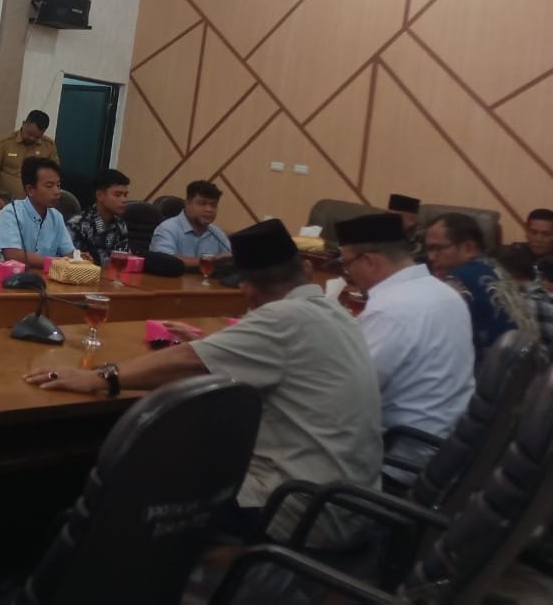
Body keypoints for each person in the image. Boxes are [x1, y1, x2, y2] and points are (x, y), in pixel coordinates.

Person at [26, 219, 382, 547]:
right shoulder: (336, 313)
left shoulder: (283, 318)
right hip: (353, 502)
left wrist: (97, 378)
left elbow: (188, 361)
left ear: (246, 289)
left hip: (299, 509)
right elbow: (268, 353)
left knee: (127, 496)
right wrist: (216, 346)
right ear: (306, 270)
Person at [335, 212, 474, 442]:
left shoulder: (390, 309)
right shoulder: (446, 292)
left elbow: (348, 390)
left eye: (346, 264)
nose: (347, 272)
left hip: (404, 447)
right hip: (448, 438)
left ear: (369, 261)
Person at [425, 212, 535, 363]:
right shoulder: (496, 268)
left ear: (469, 247)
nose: (431, 257)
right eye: (429, 249)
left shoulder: (457, 282)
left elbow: (432, 340)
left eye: (438, 248)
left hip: (482, 373)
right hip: (520, 371)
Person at [0, 157, 74, 268]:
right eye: (49, 186)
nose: (57, 191)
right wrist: (57, 262)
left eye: (58, 185)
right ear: (30, 189)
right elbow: (13, 255)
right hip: (11, 276)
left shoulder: (56, 217)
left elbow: (69, 254)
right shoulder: (11, 213)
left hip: (44, 277)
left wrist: (78, 258)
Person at [149, 179, 232, 269]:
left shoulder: (217, 233)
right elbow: (165, 260)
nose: (209, 209)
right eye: (202, 203)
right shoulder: (167, 228)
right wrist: (211, 261)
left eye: (213, 205)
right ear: (187, 203)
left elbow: (230, 259)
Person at [0, 110, 59, 208]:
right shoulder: (4, 143)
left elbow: (54, 174)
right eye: (29, 134)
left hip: (35, 203)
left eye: (36, 137)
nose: (32, 138)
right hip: (5, 201)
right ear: (24, 124)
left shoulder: (48, 146)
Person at [67, 168, 131, 267]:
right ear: (99, 195)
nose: (124, 200)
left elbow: (126, 258)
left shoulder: (120, 224)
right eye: (117, 195)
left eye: (125, 195)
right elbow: (70, 260)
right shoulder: (78, 224)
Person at [514, 208, 553, 283]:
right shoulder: (513, 254)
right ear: (526, 233)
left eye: (546, 234)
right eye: (533, 233)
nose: (538, 239)